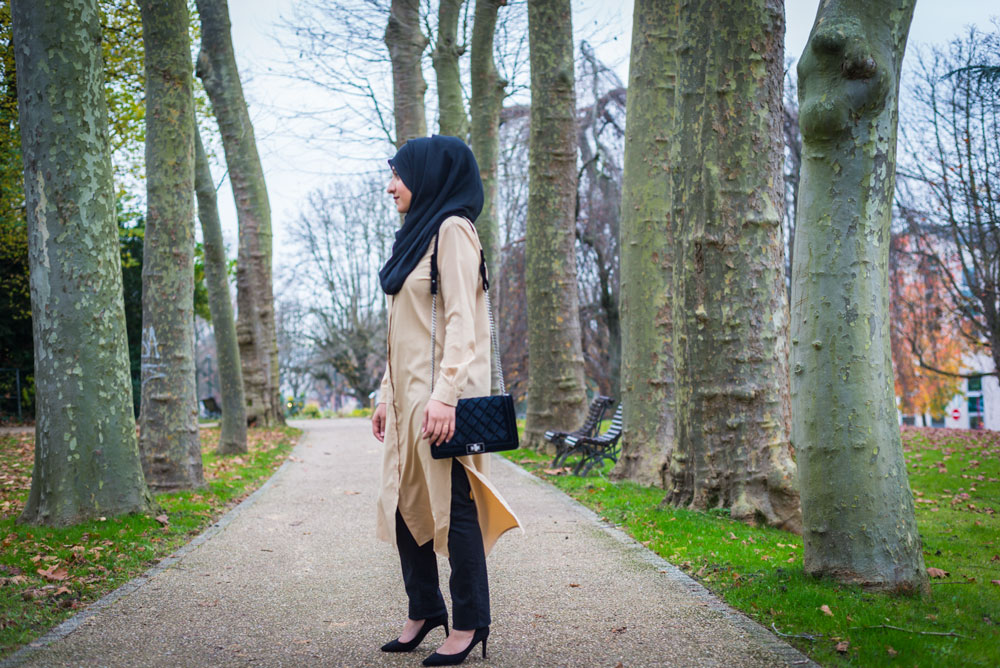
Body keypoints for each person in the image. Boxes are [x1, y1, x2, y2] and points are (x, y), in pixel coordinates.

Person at [371, 135, 521, 666]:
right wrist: (386, 393)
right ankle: (424, 610)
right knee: (401, 505)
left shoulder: (453, 230)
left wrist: (446, 395)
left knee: (455, 510)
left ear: (430, 176)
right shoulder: (414, 236)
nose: (391, 186)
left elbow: (463, 323)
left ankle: (470, 623)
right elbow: (402, 329)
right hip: (408, 401)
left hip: (441, 402)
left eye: (399, 175)